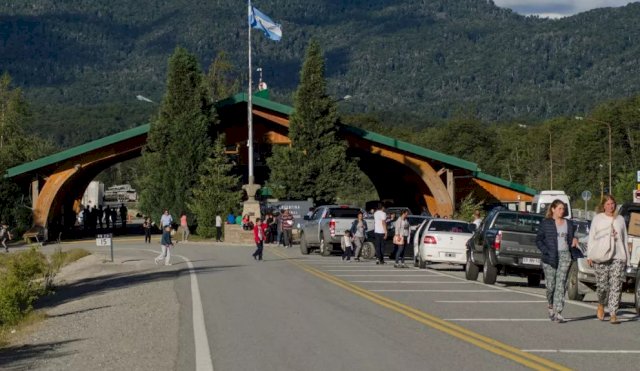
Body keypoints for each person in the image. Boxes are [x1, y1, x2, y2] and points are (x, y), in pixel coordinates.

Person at [535, 200, 580, 323]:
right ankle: (550, 305)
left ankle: (558, 312)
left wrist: (575, 239)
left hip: (565, 255)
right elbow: (538, 240)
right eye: (560, 208)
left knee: (561, 283)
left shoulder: (569, 224)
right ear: (553, 209)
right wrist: (546, 251)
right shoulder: (546, 224)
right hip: (550, 256)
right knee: (551, 285)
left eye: (563, 209)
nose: (562, 211)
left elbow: (572, 237)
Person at [587, 195, 629, 324]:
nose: (611, 206)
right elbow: (592, 237)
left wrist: (626, 257)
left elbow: (625, 239)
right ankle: (601, 304)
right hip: (601, 256)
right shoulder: (598, 219)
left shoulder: (620, 219)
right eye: (608, 204)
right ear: (603, 205)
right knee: (602, 286)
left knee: (616, 285)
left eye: (612, 204)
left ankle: (613, 313)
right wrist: (589, 255)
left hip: (618, 256)